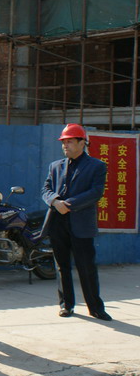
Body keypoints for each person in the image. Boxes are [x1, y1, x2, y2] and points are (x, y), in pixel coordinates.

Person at [41, 124, 111, 321]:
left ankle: (95, 307)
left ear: (82, 143)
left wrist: (68, 204)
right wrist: (55, 201)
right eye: (63, 142)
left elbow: (96, 192)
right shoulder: (55, 166)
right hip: (57, 222)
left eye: (70, 141)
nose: (65, 145)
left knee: (86, 267)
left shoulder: (96, 166)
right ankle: (66, 304)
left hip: (81, 223)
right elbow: (45, 189)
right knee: (61, 266)